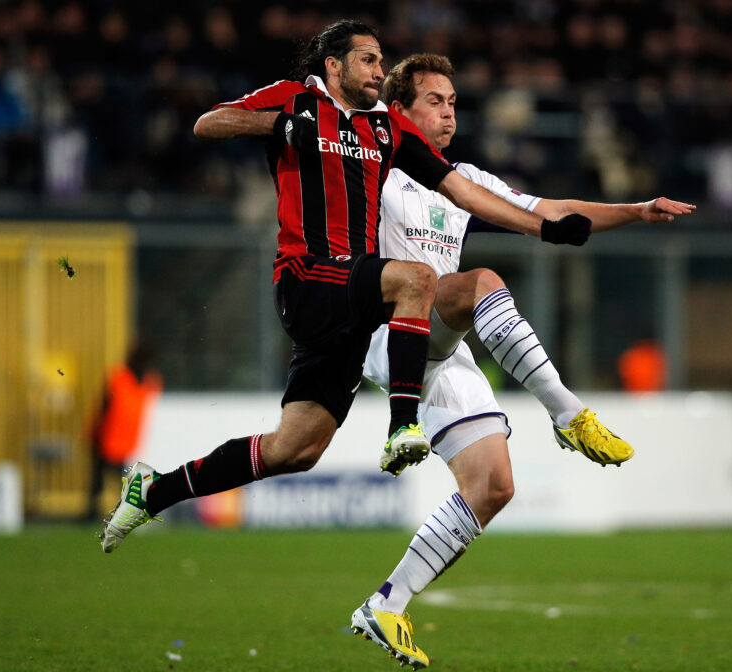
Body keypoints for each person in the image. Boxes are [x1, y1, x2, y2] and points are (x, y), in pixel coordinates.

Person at [99, 22, 593, 555]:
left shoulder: (387, 132)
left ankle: (154, 490)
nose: (380, 70)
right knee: (418, 279)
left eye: (381, 61)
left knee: (296, 449)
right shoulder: (298, 100)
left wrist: (543, 227)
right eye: (368, 60)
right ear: (333, 66)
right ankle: (403, 427)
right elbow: (207, 124)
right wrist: (278, 125)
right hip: (307, 276)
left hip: (349, 300)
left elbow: (462, 191)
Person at [348, 54, 696, 669]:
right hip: (385, 329)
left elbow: (549, 210)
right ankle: (567, 413)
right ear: (397, 111)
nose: (450, 110)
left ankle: (387, 604)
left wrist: (637, 210)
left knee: (494, 485)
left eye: (454, 100)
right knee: (478, 280)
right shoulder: (370, 162)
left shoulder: (462, 179)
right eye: (434, 100)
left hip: (439, 346)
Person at [86, 343, 161, 521]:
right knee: (108, 480)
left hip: (120, 439)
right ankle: (105, 513)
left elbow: (105, 406)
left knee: (105, 480)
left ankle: (102, 513)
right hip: (111, 438)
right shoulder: (140, 380)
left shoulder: (126, 378)